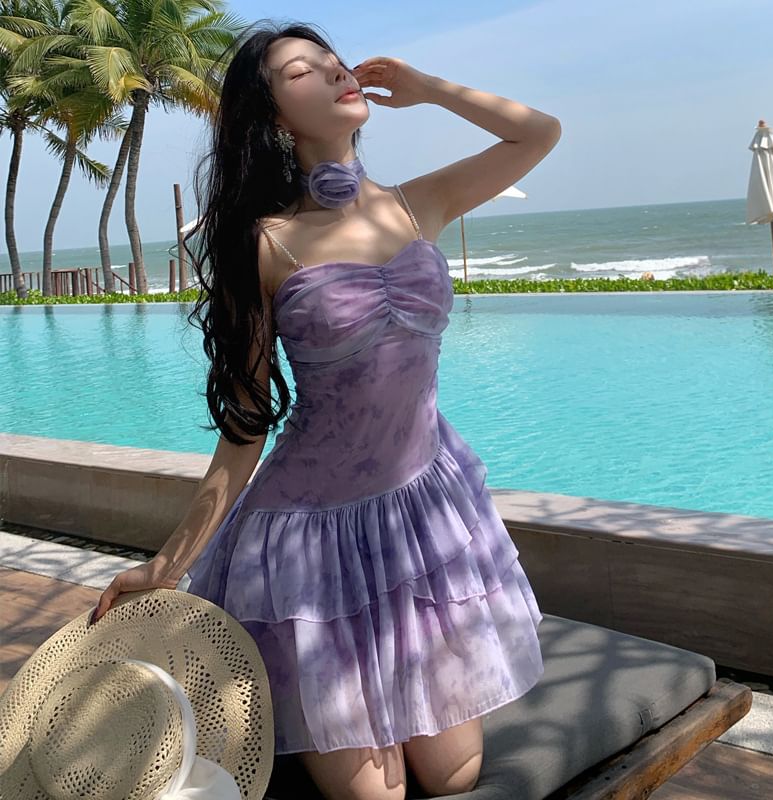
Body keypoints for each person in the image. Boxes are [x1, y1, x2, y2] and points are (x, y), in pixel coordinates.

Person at [91, 19, 561, 800]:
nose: (339, 72)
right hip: (312, 545)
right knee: (378, 796)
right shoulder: (265, 243)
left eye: (335, 61)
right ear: (275, 118)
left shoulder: (418, 204)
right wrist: (167, 564)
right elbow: (245, 429)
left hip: (420, 517)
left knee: (456, 774)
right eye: (303, 70)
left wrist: (428, 89)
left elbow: (537, 134)